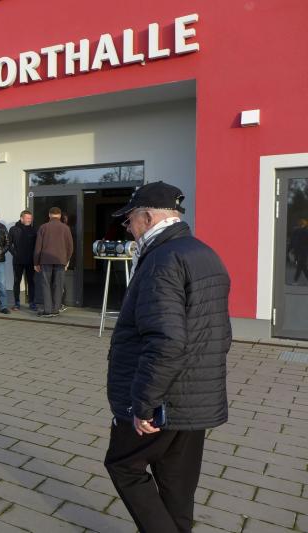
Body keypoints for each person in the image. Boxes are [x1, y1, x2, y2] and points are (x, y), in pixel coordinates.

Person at [103, 181, 231, 533]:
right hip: (195, 395)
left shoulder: (161, 260)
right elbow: (221, 332)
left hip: (162, 398)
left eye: (129, 220)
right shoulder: (204, 253)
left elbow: (167, 340)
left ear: (146, 217)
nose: (127, 228)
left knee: (124, 466)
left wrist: (144, 403)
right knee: (177, 484)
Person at [33, 207, 73, 318]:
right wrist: (66, 260)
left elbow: (38, 247)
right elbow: (70, 247)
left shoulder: (43, 227)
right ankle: (56, 309)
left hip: (45, 261)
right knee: (58, 285)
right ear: (60, 215)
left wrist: (36, 262)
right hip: (61, 261)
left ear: (49, 215)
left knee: (46, 284)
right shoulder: (66, 228)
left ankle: (47, 310)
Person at [8, 210, 36, 311]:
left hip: (30, 261)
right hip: (18, 261)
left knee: (31, 282)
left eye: (30, 218)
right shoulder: (13, 229)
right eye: (27, 218)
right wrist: (15, 254)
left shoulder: (34, 230)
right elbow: (8, 244)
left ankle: (32, 303)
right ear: (21, 218)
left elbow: (36, 246)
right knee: (17, 282)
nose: (29, 220)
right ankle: (17, 303)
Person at [288, 218, 308, 283]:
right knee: (302, 266)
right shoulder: (303, 231)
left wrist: (291, 249)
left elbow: (295, 241)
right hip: (303, 251)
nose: (299, 225)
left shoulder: (302, 231)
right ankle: (295, 280)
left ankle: (295, 280)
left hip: (302, 251)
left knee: (302, 266)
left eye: (300, 224)